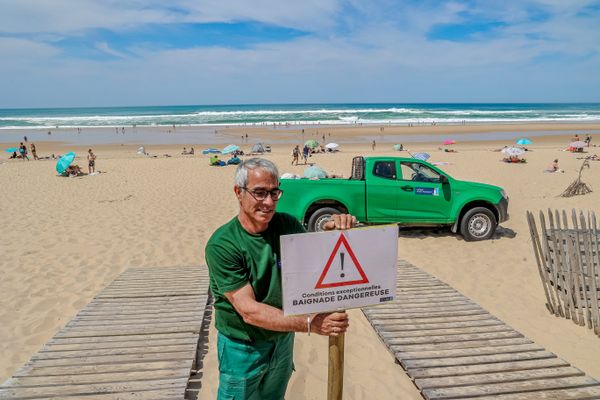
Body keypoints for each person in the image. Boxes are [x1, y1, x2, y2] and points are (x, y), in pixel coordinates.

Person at [205, 158, 355, 399]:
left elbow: (314, 256)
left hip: (282, 340)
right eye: (260, 193)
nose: (268, 202)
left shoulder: (286, 224)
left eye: (274, 193)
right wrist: (310, 323)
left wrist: (330, 227)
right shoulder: (223, 244)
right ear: (238, 192)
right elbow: (249, 311)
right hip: (242, 347)